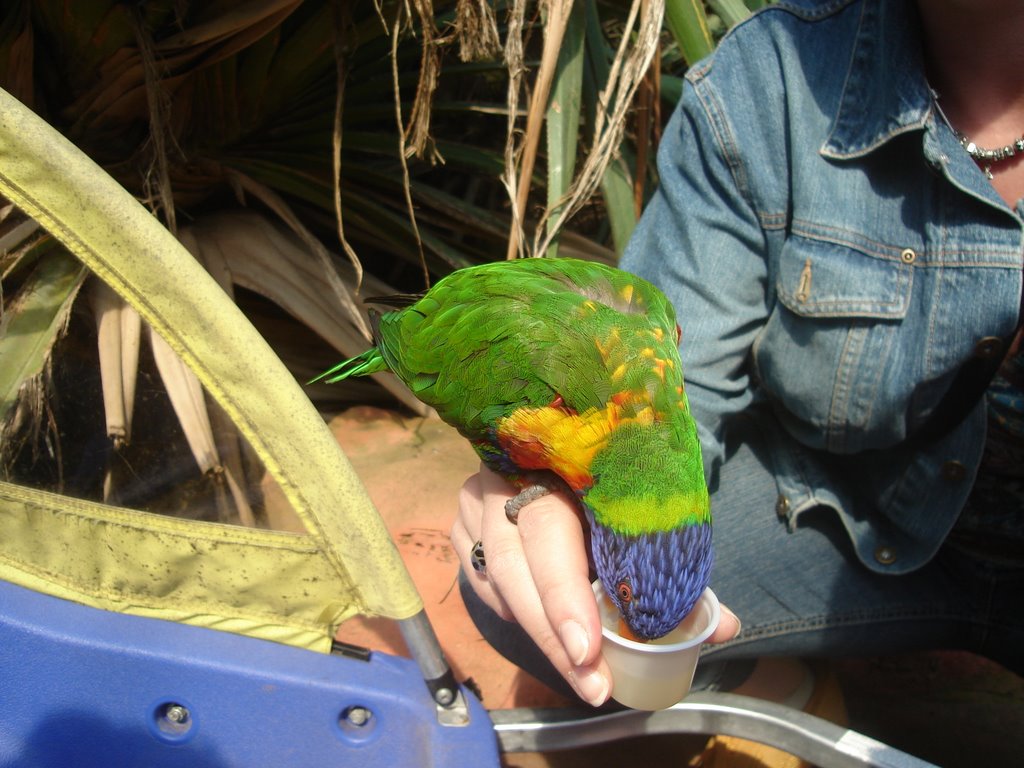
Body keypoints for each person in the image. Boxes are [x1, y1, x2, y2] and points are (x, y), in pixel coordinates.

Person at [449, 0, 1024, 720]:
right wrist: (556, 490)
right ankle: (776, 693)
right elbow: (670, 394)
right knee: (530, 597)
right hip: (859, 518)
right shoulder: (770, 80)